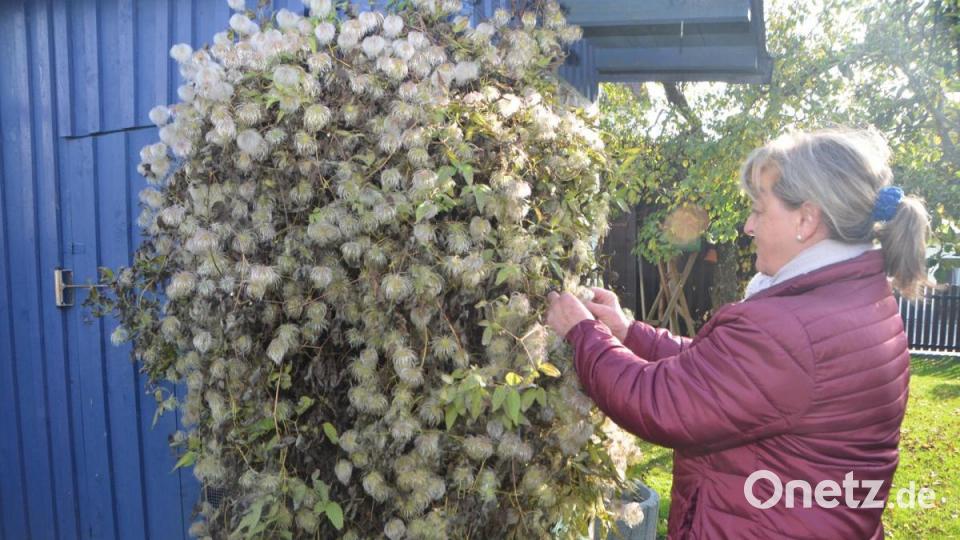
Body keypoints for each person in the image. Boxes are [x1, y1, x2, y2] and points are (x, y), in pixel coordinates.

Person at [546, 129, 929, 539]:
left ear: (806, 219)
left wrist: (582, 332)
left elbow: (660, 401)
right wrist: (626, 332)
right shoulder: (852, 300)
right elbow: (723, 373)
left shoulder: (790, 328)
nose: (748, 225)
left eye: (759, 210)